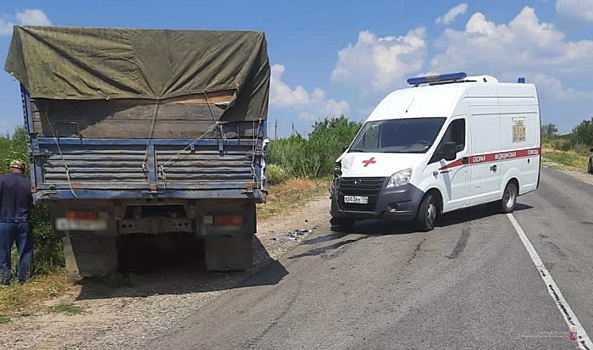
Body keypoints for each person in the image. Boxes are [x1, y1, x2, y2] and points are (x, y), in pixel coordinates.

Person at [0, 159, 33, 285]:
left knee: (3, 251)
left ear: (10, 168)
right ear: (23, 169)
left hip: (4, 221)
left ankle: (5, 279)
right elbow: (36, 203)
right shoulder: (29, 182)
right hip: (23, 221)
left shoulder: (2, 180)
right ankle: (24, 280)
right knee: (25, 251)